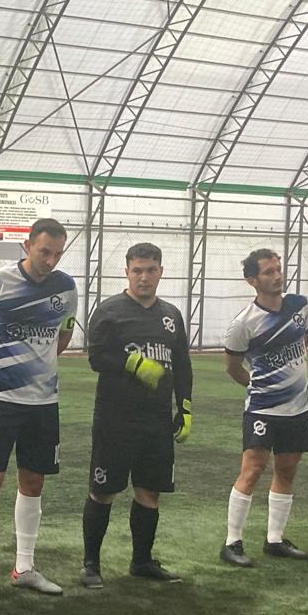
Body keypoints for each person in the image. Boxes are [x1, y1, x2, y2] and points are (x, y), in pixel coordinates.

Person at [0, 218, 76, 602]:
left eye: (57, 254)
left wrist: (41, 365)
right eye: (45, 252)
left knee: (33, 483)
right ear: (27, 246)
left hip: (44, 404)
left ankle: (24, 566)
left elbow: (65, 332)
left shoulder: (66, 288)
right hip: (1, 401)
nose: (51, 260)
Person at [80, 243, 193, 587]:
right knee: (103, 491)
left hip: (156, 421)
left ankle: (141, 561)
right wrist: (132, 363)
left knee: (150, 491)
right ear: (127, 272)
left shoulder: (171, 315)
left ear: (161, 272)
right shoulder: (110, 311)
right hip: (115, 419)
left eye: (151, 270)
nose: (144, 277)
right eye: (137, 270)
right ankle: (91, 564)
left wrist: (185, 406)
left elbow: (182, 364)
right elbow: (96, 357)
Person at [220, 249, 308, 567]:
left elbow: (303, 344)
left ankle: (275, 539)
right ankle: (232, 542)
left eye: (278, 269)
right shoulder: (243, 323)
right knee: (252, 470)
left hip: (298, 408)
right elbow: (233, 367)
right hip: (262, 409)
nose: (277, 276)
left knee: (287, 469)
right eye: (268, 272)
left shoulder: (300, 306)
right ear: (252, 281)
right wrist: (258, 386)